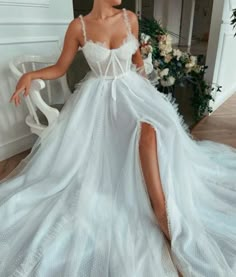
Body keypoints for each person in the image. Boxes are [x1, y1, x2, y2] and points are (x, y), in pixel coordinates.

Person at [1, 0, 236, 276]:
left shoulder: (129, 19)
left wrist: (150, 100)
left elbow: (138, 65)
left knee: (150, 129)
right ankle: (160, 213)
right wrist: (31, 74)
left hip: (132, 92)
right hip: (97, 104)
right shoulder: (78, 27)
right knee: (131, 140)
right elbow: (60, 67)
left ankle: (161, 209)